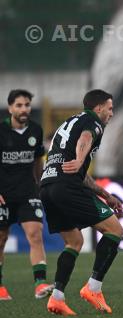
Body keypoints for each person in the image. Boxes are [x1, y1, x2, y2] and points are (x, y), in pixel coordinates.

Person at [40, 89, 123, 315]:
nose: (112, 113)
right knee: (115, 230)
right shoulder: (93, 122)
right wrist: (79, 159)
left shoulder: (69, 122)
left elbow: (81, 174)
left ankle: (57, 298)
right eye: (110, 108)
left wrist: (105, 195)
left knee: (74, 241)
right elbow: (85, 138)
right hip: (66, 186)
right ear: (98, 108)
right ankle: (93, 288)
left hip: (47, 187)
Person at [0, 89, 54, 301]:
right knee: (1, 238)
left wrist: (40, 185)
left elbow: (38, 159)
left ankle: (40, 283)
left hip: (27, 192)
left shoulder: (35, 130)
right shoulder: (1, 131)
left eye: (27, 105)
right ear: (11, 108)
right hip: (3, 194)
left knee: (35, 233)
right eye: (19, 105)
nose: (24, 109)